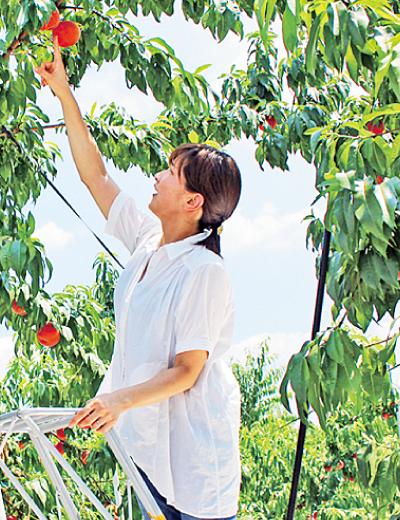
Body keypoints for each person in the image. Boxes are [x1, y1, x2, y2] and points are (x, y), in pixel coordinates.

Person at [35, 38, 243, 520]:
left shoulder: (204, 272)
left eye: (171, 172)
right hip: (148, 451)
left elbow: (188, 370)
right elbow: (96, 178)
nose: (158, 176)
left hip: (193, 465)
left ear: (193, 202)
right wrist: (65, 96)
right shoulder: (151, 238)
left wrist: (117, 401)